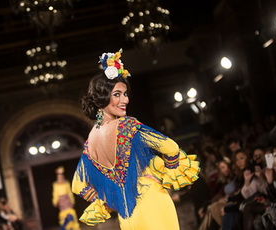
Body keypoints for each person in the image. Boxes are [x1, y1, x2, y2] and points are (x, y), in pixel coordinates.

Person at [71, 49, 200, 230]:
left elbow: (78, 185)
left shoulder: (90, 141)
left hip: (127, 217)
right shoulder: (127, 126)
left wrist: (110, 200)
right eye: (117, 94)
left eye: (125, 94)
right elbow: (171, 147)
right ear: (102, 97)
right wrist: (165, 174)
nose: (125, 100)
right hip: (152, 202)